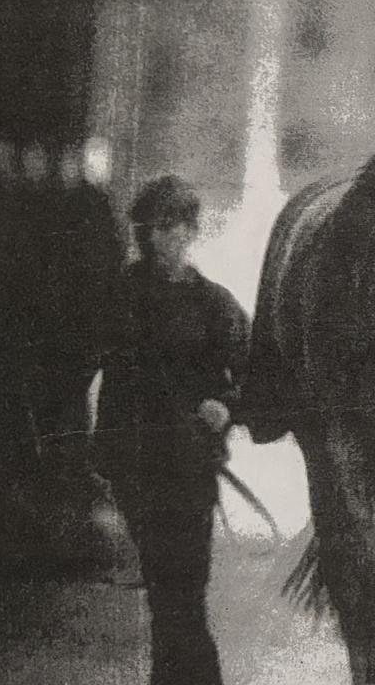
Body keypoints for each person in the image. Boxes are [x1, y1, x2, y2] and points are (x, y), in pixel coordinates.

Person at [94, 175, 249, 685]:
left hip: (192, 469)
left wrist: (225, 407)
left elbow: (252, 376)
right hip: (139, 464)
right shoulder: (120, 296)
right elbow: (88, 362)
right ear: (144, 233)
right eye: (159, 227)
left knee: (185, 593)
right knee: (171, 594)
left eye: (180, 226)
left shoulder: (215, 303)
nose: (170, 237)